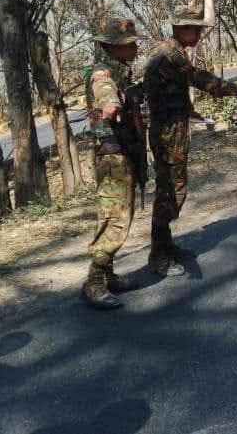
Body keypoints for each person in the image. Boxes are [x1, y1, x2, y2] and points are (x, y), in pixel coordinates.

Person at [143, 0, 237, 277]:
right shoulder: (170, 54)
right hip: (167, 133)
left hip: (173, 127)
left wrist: (189, 110)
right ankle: (158, 255)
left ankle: (165, 245)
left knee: (171, 188)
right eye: (196, 29)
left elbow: (170, 89)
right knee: (170, 191)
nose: (200, 35)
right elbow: (206, 82)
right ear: (182, 28)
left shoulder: (172, 52)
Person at [83, 18, 144, 309]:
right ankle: (94, 282)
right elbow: (104, 88)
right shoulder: (103, 71)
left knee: (119, 215)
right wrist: (111, 103)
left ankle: (107, 275)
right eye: (129, 44)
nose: (135, 48)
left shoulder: (122, 71)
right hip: (111, 155)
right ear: (112, 47)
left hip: (122, 151)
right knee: (115, 218)